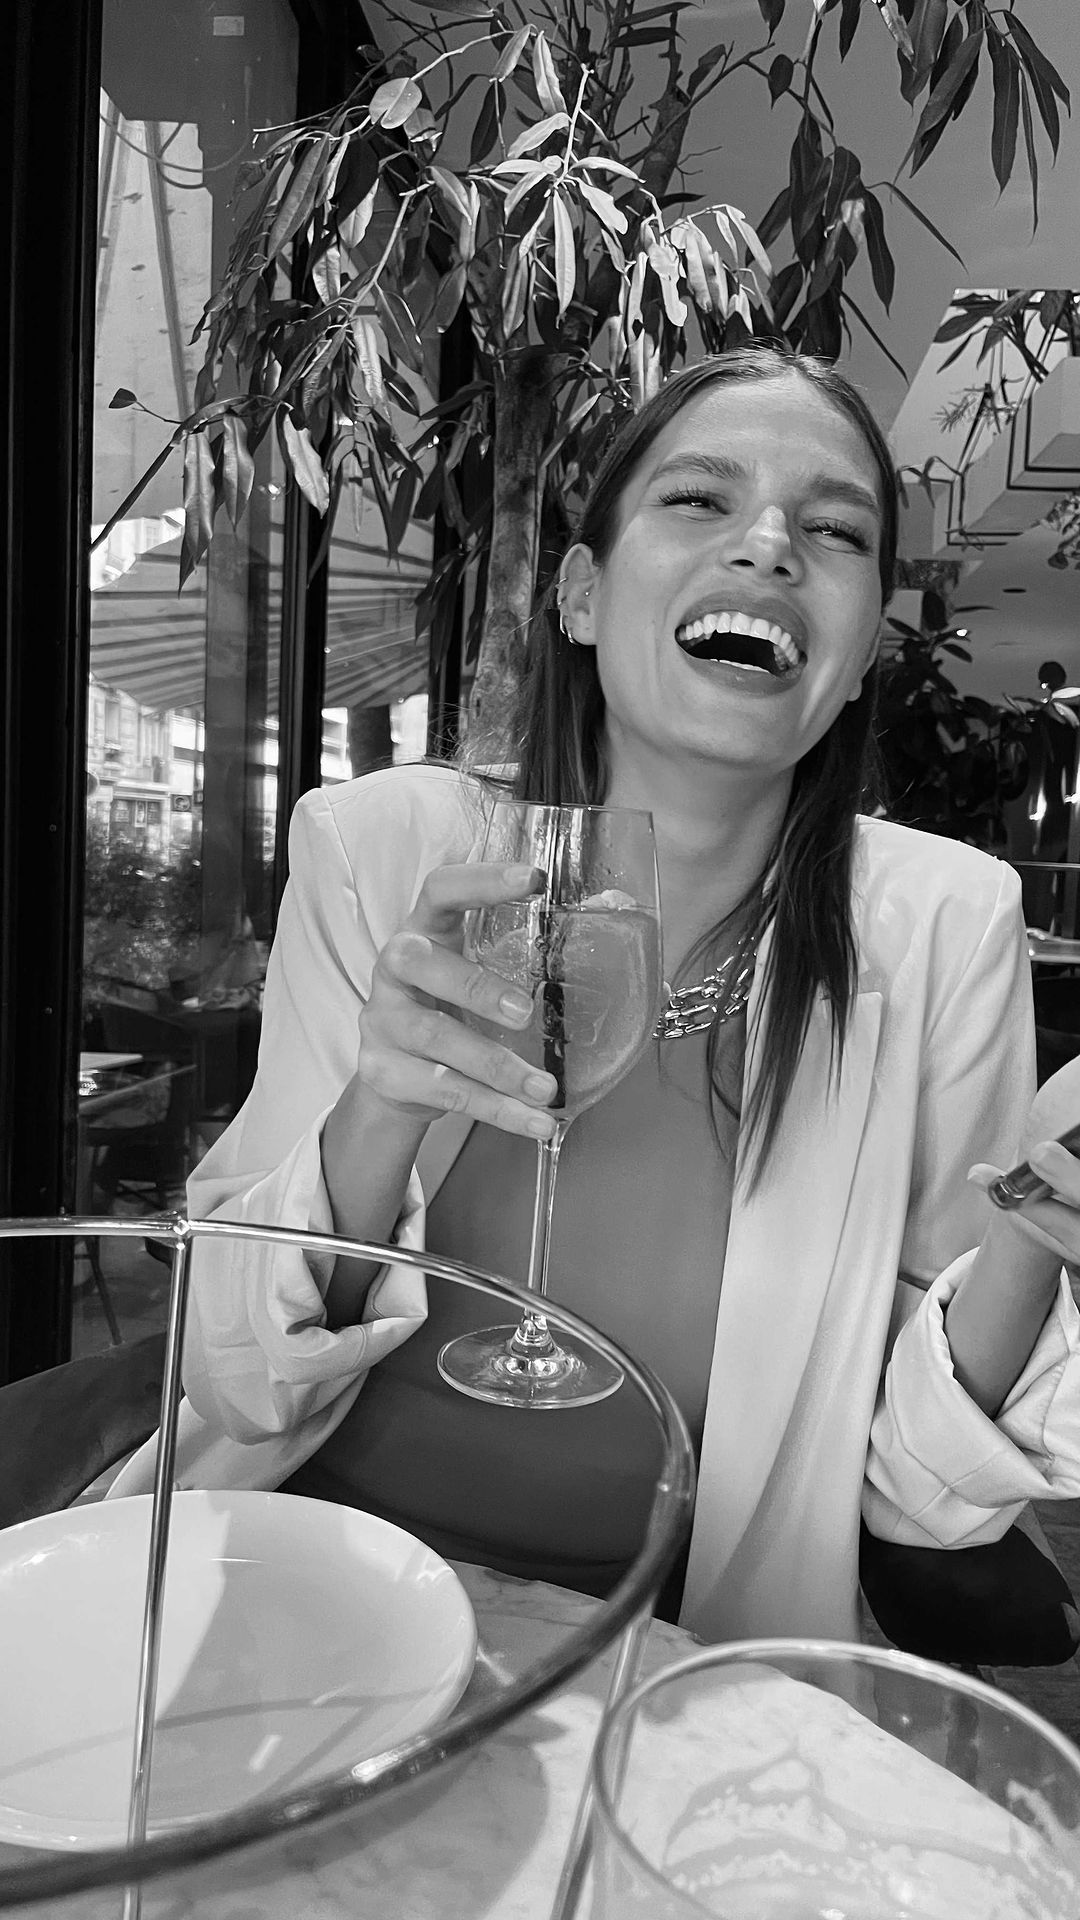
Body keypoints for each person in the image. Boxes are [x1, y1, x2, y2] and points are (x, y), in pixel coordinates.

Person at [112, 344, 1080, 1643]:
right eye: (701, 499)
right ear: (580, 594)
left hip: (668, 1648)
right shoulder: (388, 855)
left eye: (835, 530)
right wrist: (376, 1115)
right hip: (303, 1584)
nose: (769, 545)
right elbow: (236, 1379)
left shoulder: (942, 928)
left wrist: (1036, 1223)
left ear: (861, 655)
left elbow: (919, 1497)